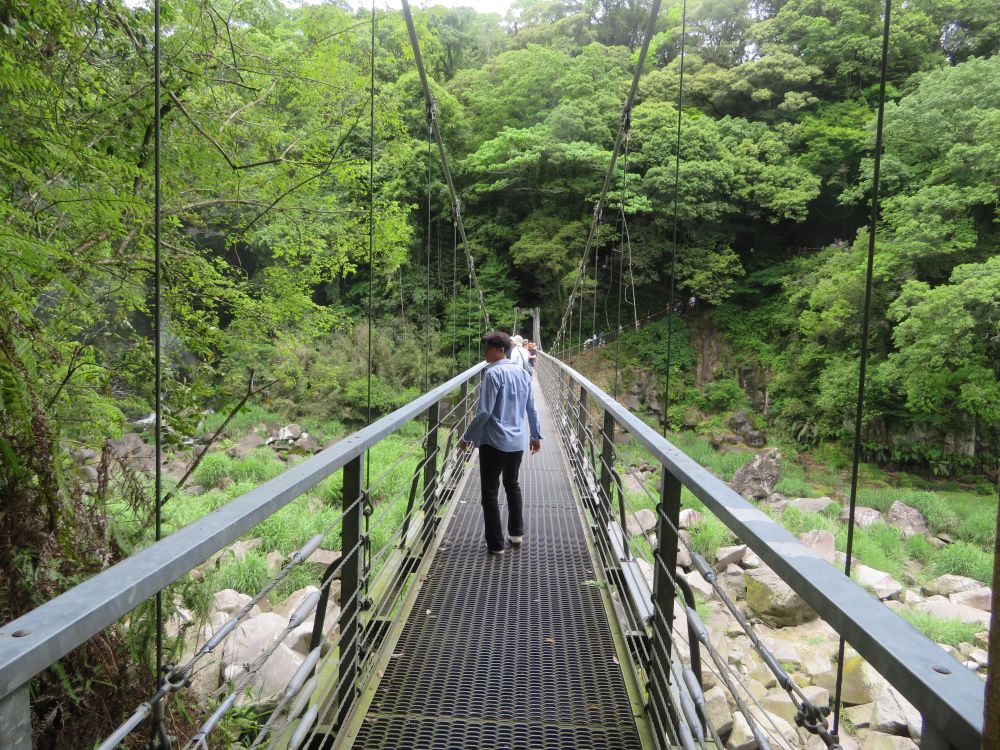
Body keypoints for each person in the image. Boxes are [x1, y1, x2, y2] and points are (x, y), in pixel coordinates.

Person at [459, 332, 542, 555]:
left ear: (501, 351)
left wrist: (467, 436)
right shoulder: (524, 375)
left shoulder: (492, 375)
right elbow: (532, 410)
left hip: (493, 442)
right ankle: (516, 534)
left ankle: (496, 544)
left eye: (488, 349)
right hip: (516, 441)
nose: (484, 352)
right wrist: (535, 436)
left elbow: (484, 412)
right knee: (512, 485)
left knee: (490, 492)